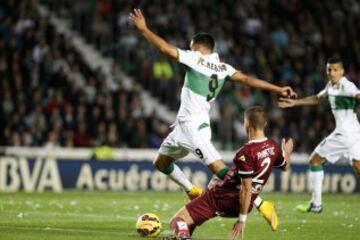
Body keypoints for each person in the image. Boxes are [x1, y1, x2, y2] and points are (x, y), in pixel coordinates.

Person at [129, 9, 296, 230]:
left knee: (220, 170)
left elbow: (164, 48)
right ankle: (191, 189)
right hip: (188, 125)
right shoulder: (223, 68)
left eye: (191, 46)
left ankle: (261, 203)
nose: (189, 49)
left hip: (192, 127)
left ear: (197, 46)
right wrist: (277, 88)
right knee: (161, 163)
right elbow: (246, 79)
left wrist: (144, 29)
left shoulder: (195, 58)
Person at [167, 106, 293, 240]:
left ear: (247, 124)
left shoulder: (245, 153)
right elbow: (285, 166)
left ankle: (183, 237)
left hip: (224, 199)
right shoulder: (273, 147)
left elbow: (246, 188)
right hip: (245, 203)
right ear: (265, 123)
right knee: (194, 212)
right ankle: (184, 235)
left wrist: (241, 220)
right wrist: (287, 152)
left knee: (177, 220)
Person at [279, 57, 360, 213]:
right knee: (358, 168)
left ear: (342, 72)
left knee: (315, 160)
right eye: (329, 69)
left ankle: (316, 204)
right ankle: (316, 204)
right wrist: (295, 103)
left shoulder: (347, 86)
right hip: (355, 132)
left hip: (344, 134)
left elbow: (357, 94)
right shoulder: (330, 86)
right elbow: (317, 99)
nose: (332, 72)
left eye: (336, 70)